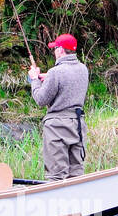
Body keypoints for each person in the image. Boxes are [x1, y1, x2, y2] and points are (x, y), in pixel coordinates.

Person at [27, 34, 89, 182]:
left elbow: (41, 99)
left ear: (60, 50)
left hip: (57, 127)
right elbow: (67, 77)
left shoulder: (56, 72)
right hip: (78, 125)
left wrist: (35, 80)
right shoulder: (83, 69)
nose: (54, 51)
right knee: (76, 173)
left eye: (55, 48)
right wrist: (48, 77)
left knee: (56, 175)